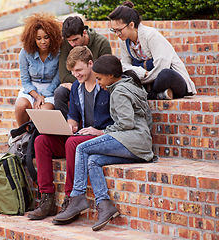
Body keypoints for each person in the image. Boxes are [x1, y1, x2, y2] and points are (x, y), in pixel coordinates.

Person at [53, 54, 154, 231]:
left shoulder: (120, 91)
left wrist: (102, 132)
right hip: (139, 145)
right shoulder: (126, 86)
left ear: (110, 75)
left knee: (82, 148)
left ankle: (77, 197)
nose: (98, 82)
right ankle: (105, 204)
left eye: (99, 78)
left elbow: (126, 123)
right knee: (93, 160)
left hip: (133, 141)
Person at [27, 46, 114, 222]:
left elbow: (117, 122)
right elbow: (73, 119)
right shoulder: (76, 87)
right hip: (81, 135)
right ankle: (47, 199)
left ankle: (71, 199)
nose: (76, 74)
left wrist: (98, 131)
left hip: (101, 137)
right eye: (73, 71)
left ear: (91, 64)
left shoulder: (105, 85)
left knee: (72, 143)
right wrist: (69, 127)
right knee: (41, 141)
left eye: (79, 70)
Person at [108, 1, 196, 100]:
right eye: (114, 30)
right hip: (147, 79)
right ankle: (157, 94)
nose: (117, 34)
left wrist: (143, 77)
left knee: (165, 75)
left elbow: (162, 66)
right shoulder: (123, 41)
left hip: (168, 79)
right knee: (123, 76)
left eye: (119, 30)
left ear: (131, 25)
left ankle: (146, 93)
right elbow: (125, 65)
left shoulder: (150, 35)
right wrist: (141, 73)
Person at [55, 16, 112, 119]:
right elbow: (64, 77)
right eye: (69, 41)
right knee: (60, 92)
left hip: (99, 85)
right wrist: (79, 84)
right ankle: (65, 129)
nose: (73, 44)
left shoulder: (102, 43)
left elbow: (106, 75)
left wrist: (78, 85)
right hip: (78, 83)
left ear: (84, 33)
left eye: (75, 39)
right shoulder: (66, 44)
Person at [14, 13, 62, 127]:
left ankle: (35, 139)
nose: (43, 42)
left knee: (43, 113)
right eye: (38, 38)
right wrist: (36, 96)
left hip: (51, 89)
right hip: (31, 89)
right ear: (32, 38)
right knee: (20, 106)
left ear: (52, 37)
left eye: (46, 37)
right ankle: (22, 135)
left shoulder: (59, 53)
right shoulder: (25, 53)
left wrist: (43, 96)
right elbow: (25, 80)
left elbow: (57, 78)